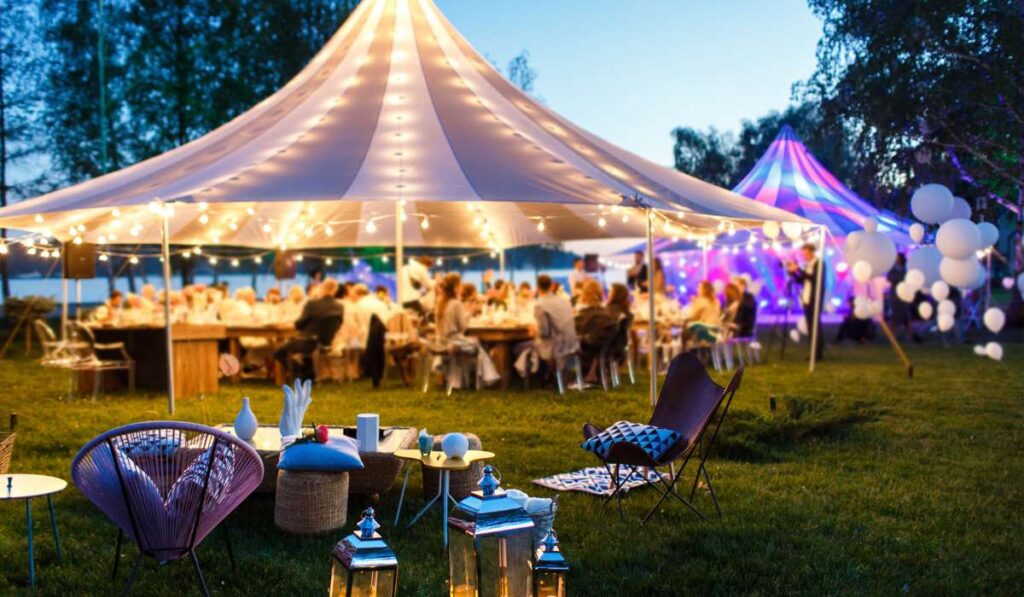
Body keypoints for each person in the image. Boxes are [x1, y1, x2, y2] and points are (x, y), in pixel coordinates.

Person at [273, 279, 343, 379]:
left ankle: (298, 372)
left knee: (278, 352)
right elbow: (338, 324)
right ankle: (307, 373)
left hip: (307, 341)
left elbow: (299, 325)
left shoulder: (312, 304)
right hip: (327, 343)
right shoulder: (339, 307)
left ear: (322, 288)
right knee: (304, 351)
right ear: (335, 290)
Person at [787, 243, 824, 360]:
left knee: (815, 326)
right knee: (810, 326)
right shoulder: (808, 265)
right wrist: (793, 272)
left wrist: (799, 269)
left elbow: (815, 279)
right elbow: (803, 280)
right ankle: (813, 352)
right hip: (807, 299)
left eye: (806, 254)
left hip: (815, 299)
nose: (805, 256)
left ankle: (817, 353)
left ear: (812, 252)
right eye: (804, 254)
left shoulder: (819, 263)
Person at [574, 280, 618, 381]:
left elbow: (575, 334)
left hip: (586, 347)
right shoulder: (607, 313)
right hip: (603, 349)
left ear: (584, 293)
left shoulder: (582, 315)